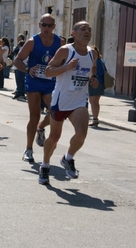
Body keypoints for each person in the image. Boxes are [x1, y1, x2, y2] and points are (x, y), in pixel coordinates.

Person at [38, 20, 99, 185]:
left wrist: (93, 78)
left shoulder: (92, 53)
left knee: (81, 134)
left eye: (89, 29)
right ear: (73, 33)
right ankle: (44, 165)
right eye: (83, 29)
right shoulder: (66, 51)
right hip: (61, 100)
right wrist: (67, 67)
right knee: (54, 137)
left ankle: (68, 158)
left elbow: (91, 68)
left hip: (79, 101)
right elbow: (49, 71)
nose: (87, 32)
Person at [13, 13, 65, 162]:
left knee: (56, 112)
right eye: (44, 25)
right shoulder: (32, 42)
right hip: (34, 81)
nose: (46, 28)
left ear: (54, 26)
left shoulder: (60, 42)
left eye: (50, 25)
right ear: (39, 25)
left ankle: (41, 127)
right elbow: (17, 61)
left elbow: (65, 61)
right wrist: (28, 69)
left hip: (50, 82)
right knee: (34, 115)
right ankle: (28, 149)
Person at [88, 45, 105, 127]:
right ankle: (95, 118)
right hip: (100, 82)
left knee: (93, 101)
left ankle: (95, 119)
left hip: (94, 82)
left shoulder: (94, 61)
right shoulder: (101, 61)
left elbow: (96, 72)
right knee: (96, 101)